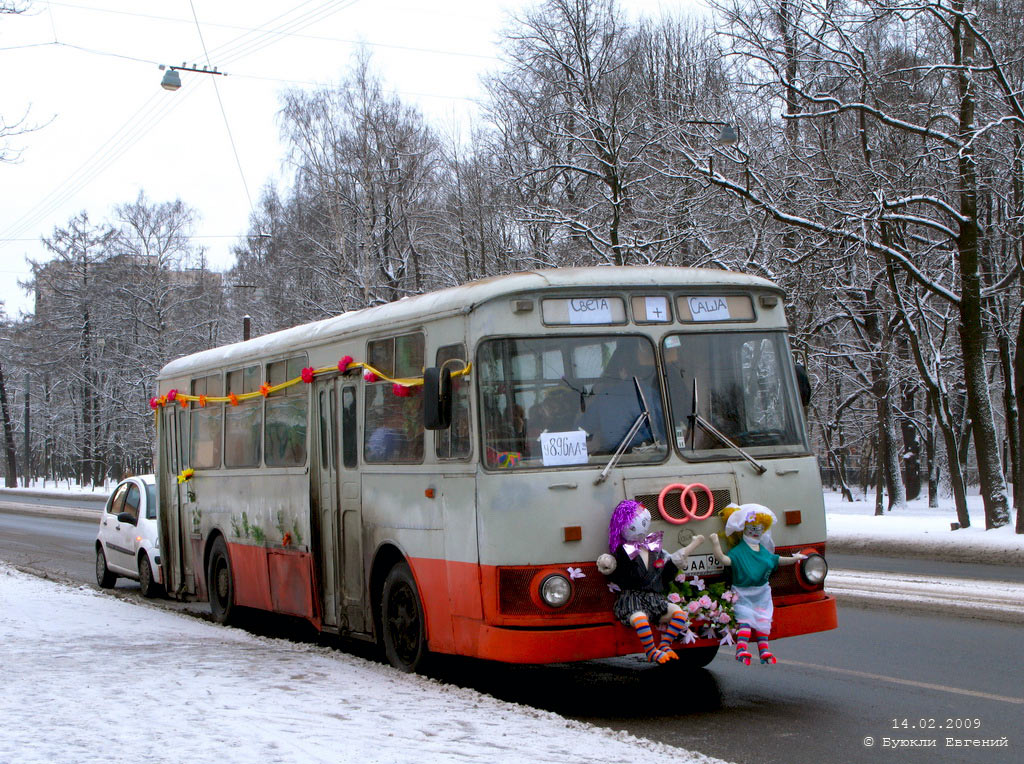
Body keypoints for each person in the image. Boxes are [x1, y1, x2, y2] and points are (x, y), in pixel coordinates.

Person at [597, 500, 704, 663]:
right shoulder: (623, 552)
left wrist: (674, 565)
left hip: (654, 599)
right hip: (632, 599)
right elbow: (618, 575)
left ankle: (665, 646)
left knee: (679, 614)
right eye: (633, 527)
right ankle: (651, 651)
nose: (639, 530)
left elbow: (664, 575)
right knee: (640, 619)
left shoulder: (654, 548)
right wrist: (609, 565)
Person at [709, 503, 806, 665]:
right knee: (745, 619)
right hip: (743, 592)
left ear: (764, 530)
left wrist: (795, 559)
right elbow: (724, 560)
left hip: (762, 593)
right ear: (744, 529)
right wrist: (715, 544)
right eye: (752, 528)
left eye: (759, 529)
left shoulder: (763, 552)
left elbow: (777, 560)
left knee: (763, 620)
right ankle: (741, 649)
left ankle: (764, 650)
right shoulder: (738, 552)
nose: (755, 532)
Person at [582, 341, 664, 454]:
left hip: (614, 458)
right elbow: (664, 429)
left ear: (622, 370)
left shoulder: (605, 397)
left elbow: (584, 429)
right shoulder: (654, 395)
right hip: (651, 454)